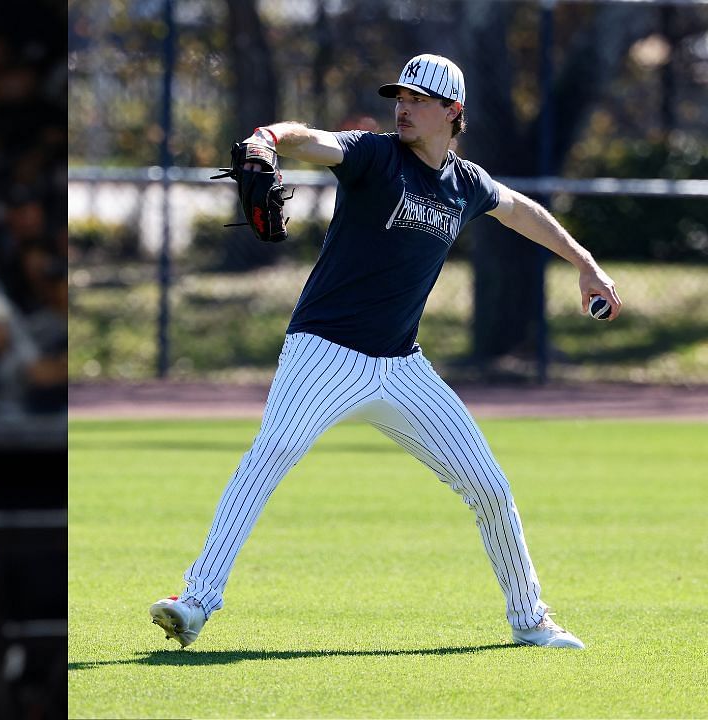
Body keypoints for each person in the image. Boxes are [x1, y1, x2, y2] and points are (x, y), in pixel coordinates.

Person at [151, 54, 622, 651]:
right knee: (269, 459)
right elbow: (314, 141)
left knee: (490, 488)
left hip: (401, 366)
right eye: (398, 97)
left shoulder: (466, 183)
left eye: (417, 100)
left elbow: (522, 211)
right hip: (323, 352)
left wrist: (586, 265)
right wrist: (269, 138)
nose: (402, 107)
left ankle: (530, 620)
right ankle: (193, 604)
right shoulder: (376, 155)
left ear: (453, 113)